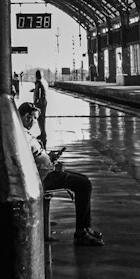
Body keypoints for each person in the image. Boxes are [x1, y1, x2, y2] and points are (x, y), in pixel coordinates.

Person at [17, 101, 104, 247]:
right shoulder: (24, 135)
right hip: (42, 178)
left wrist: (49, 157)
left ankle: (85, 228)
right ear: (27, 117)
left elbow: (37, 157)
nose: (35, 122)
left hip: (40, 174)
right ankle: (81, 232)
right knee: (84, 184)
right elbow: (38, 160)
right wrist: (49, 162)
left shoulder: (19, 133)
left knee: (83, 180)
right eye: (34, 118)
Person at [31, 69, 47, 144]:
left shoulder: (38, 82)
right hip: (44, 102)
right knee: (42, 118)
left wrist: (37, 101)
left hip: (40, 103)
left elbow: (40, 92)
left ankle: (43, 134)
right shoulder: (44, 81)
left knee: (40, 119)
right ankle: (43, 133)